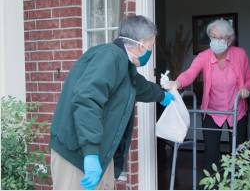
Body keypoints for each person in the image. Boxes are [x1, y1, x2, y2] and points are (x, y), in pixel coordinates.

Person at [49, 15, 175, 190]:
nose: (150, 51)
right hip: (77, 153)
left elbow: (140, 86)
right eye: (151, 46)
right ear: (141, 44)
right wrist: (91, 153)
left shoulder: (124, 64)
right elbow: (87, 99)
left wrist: (162, 95)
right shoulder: (109, 56)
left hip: (98, 152)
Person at [162, 19, 250, 174]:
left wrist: (246, 88)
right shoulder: (204, 56)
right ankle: (211, 185)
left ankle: (239, 184)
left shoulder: (240, 55)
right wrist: (177, 83)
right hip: (212, 110)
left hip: (237, 110)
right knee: (211, 153)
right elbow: (190, 73)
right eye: (213, 37)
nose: (216, 41)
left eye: (220, 38)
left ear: (229, 39)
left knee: (239, 152)